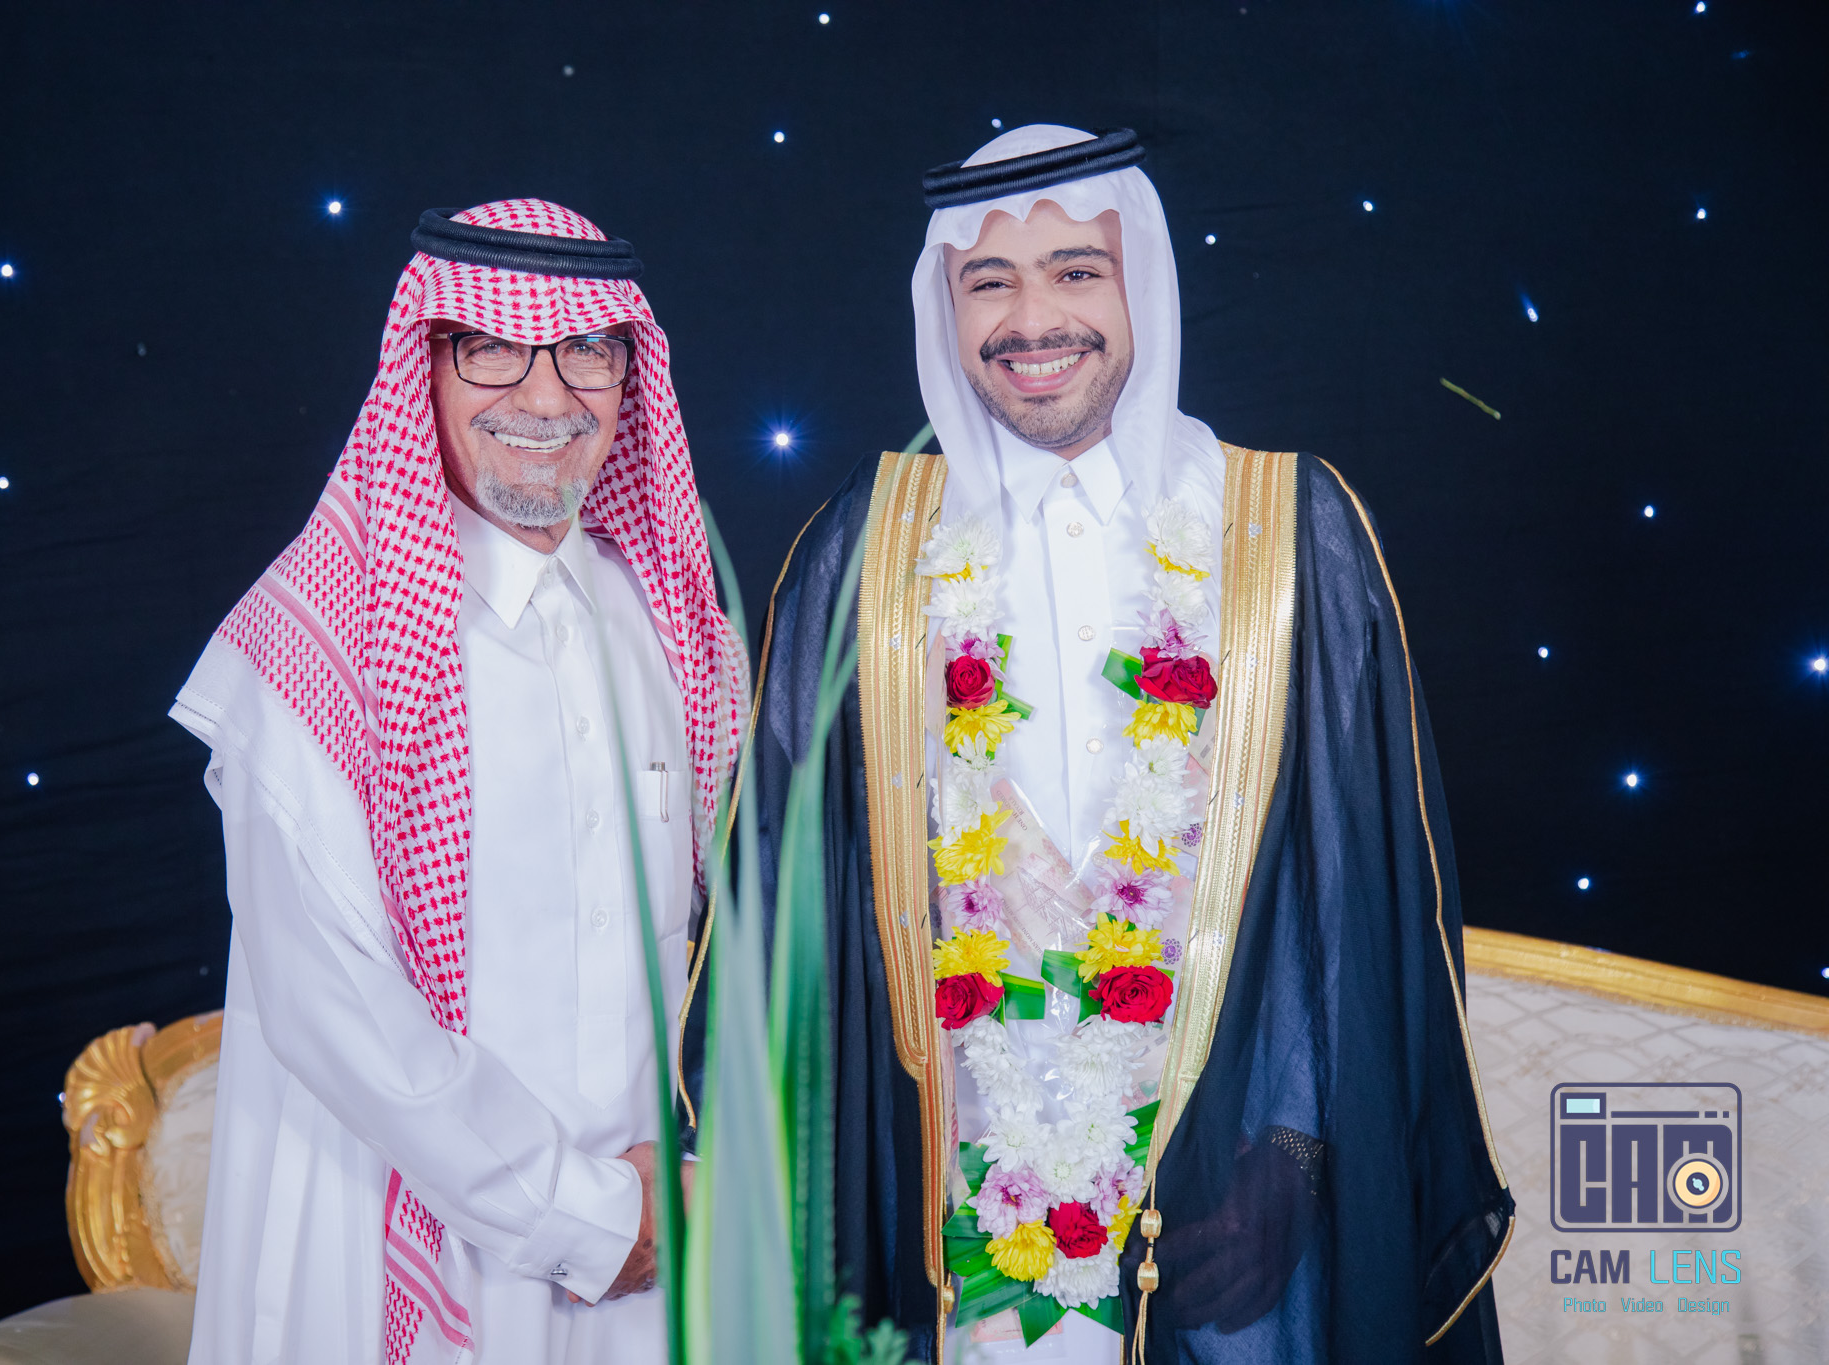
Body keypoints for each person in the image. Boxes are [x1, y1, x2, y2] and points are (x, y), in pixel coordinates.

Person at [710, 126, 1511, 1363]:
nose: (1032, 320)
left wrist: (1294, 1156)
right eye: (989, 282)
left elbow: (1362, 900)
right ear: (945, 307)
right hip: (949, 1237)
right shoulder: (866, 552)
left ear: (1142, 283)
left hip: (1228, 1216)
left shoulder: (1285, 533)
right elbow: (778, 910)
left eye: (1075, 272)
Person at [172, 200, 743, 1365]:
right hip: (399, 1234)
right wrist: (581, 1219)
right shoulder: (317, 645)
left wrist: (682, 1193)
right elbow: (334, 1009)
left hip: (654, 1244)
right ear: (421, 367)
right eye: (491, 349)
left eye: (586, 352)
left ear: (629, 373)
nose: (545, 397)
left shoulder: (671, 624)